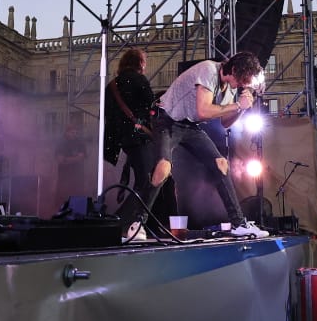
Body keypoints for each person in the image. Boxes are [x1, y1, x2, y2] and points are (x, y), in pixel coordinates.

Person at [140, 51, 267, 237]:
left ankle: (239, 224)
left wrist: (242, 108)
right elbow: (203, 111)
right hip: (166, 119)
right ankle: (136, 222)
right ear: (233, 69)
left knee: (221, 164)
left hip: (189, 125)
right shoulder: (208, 70)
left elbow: (225, 122)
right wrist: (239, 106)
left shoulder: (230, 86)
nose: (242, 84)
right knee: (163, 167)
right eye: (242, 79)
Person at [104, 47, 156, 236]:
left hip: (123, 140)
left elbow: (108, 115)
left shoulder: (111, 85)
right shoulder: (138, 80)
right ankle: (122, 223)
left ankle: (124, 222)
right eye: (144, 61)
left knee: (142, 181)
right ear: (139, 63)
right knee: (147, 181)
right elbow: (151, 106)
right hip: (139, 136)